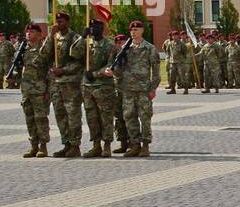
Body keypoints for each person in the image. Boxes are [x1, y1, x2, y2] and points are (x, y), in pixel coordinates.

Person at [104, 20, 161, 157]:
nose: (133, 32)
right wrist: (112, 72)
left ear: (142, 31)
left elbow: (156, 73)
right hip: (127, 90)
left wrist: (152, 89)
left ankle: (145, 145)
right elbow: (119, 69)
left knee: (145, 118)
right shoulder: (125, 49)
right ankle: (135, 145)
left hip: (143, 90)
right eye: (132, 30)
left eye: (136, 30)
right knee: (129, 117)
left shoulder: (150, 48)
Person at [48, 11, 86, 157]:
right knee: (60, 115)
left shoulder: (75, 38)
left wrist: (62, 70)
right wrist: (50, 36)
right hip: (56, 84)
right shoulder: (54, 37)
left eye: (62, 21)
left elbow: (79, 62)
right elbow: (44, 54)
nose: (59, 24)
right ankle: (66, 144)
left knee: (73, 115)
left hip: (70, 83)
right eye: (57, 21)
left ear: (68, 22)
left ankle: (75, 145)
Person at [81, 19, 117, 158]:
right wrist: (81, 37)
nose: (92, 29)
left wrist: (95, 73)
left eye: (95, 27)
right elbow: (74, 54)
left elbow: (110, 65)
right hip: (88, 87)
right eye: (90, 27)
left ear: (101, 28)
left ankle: (106, 145)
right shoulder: (86, 43)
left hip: (103, 87)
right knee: (92, 117)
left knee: (106, 117)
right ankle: (96, 145)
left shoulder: (109, 45)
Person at [17, 24, 54, 158]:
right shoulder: (23, 50)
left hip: (40, 89)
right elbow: (20, 68)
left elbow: (49, 71)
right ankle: (34, 145)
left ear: (39, 34)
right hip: (26, 90)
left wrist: (48, 90)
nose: (28, 34)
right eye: (27, 32)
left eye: (32, 31)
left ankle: (43, 146)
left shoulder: (44, 50)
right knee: (30, 119)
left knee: (41, 119)